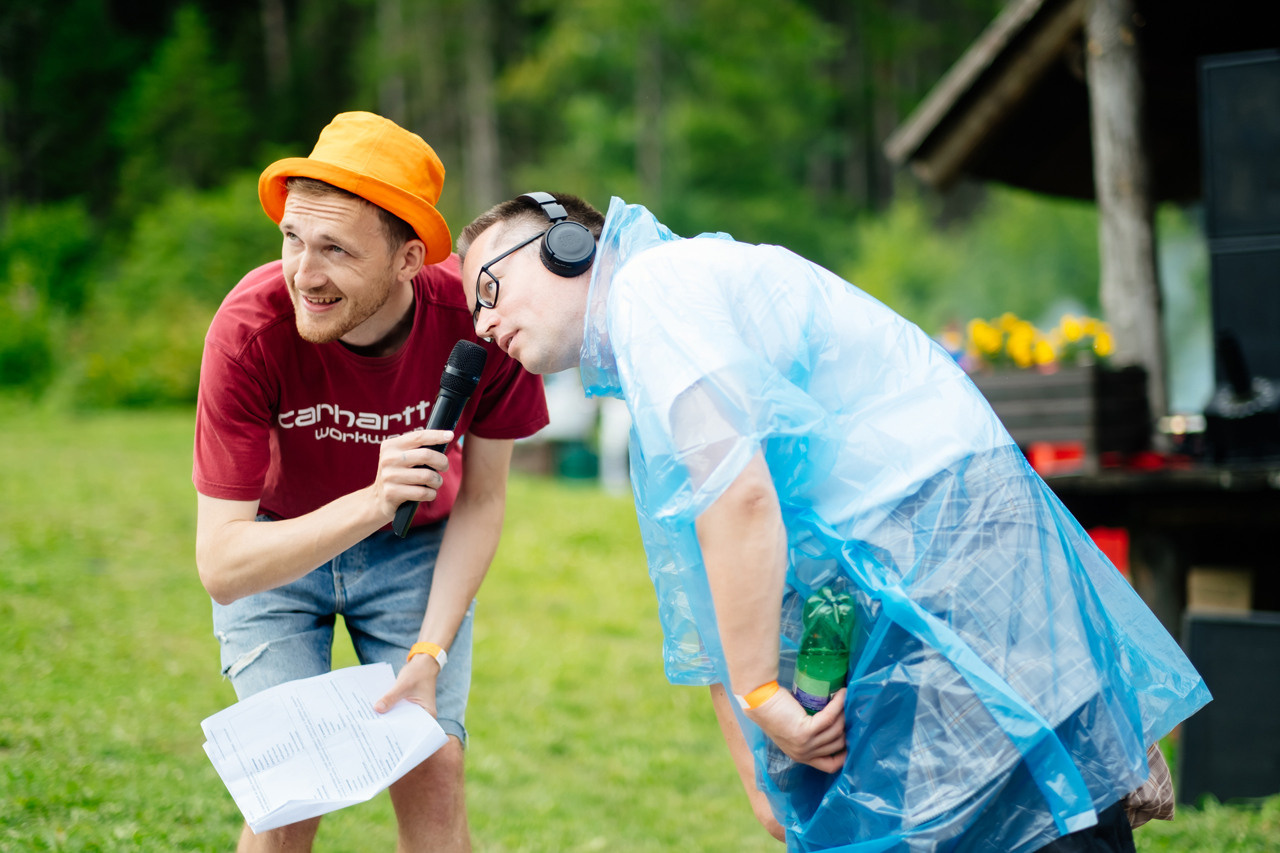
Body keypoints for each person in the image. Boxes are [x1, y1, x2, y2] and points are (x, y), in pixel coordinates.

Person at [454, 192, 1211, 852]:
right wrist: (755, 755)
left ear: (565, 245)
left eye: (490, 286)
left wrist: (760, 695)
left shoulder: (654, 289)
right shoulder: (655, 329)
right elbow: (703, 568)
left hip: (940, 534)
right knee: (979, 815)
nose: (483, 323)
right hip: (903, 556)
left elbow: (738, 501)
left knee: (1026, 815)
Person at [192, 113, 549, 852]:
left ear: (408, 257)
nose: (303, 272)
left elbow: (482, 501)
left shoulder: (479, 325)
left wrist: (428, 655)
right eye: (292, 238)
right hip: (277, 552)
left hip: (417, 552)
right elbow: (223, 567)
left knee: (434, 764)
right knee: (291, 787)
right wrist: (370, 500)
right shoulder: (249, 330)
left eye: (335, 249)